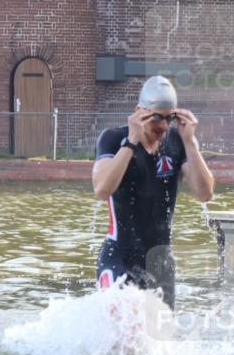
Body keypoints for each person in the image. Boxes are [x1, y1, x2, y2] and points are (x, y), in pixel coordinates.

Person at [92, 76, 215, 310]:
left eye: (170, 118)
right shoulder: (113, 139)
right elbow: (101, 189)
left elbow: (204, 193)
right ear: (139, 112)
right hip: (120, 256)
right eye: (156, 117)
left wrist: (191, 144)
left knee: (159, 341)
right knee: (126, 324)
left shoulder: (177, 143)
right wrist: (131, 142)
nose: (164, 126)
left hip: (160, 261)